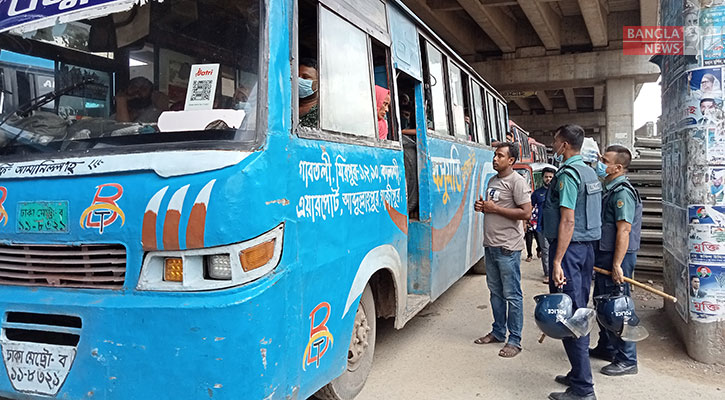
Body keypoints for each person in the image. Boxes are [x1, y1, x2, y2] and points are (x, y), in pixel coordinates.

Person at [539, 124, 602, 400]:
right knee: (578, 309)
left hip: (569, 250)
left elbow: (568, 219)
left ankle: (583, 389)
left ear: (564, 145)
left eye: (555, 139)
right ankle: (578, 374)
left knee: (569, 315)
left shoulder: (568, 175)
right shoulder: (589, 171)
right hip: (586, 249)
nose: (553, 143)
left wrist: (557, 261)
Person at [473, 142, 532, 359]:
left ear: (511, 161)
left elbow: (526, 213)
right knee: (495, 293)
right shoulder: (492, 180)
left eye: (500, 156)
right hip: (491, 245)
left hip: (508, 247)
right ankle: (498, 331)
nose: (495, 159)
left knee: (512, 295)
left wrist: (495, 208)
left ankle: (514, 340)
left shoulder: (517, 182)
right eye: (495, 155)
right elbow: (492, 207)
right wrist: (482, 208)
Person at [589, 145, 643, 377]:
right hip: (606, 254)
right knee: (602, 301)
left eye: (604, 159)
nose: (600, 162)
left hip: (617, 257)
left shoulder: (622, 192)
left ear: (617, 167)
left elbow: (624, 230)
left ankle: (628, 359)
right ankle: (608, 347)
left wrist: (617, 265)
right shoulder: (608, 188)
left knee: (618, 307)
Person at [533, 168, 556, 284]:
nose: (548, 179)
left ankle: (555, 271)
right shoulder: (537, 193)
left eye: (551, 177)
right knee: (545, 250)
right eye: (546, 177)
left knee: (555, 250)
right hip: (542, 227)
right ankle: (547, 273)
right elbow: (530, 208)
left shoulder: (558, 192)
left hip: (555, 227)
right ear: (542, 178)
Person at [299, 58, 319, 128]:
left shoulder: (321, 113)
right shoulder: (287, 106)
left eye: (305, 78)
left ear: (318, 83)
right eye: (297, 76)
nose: (299, 80)